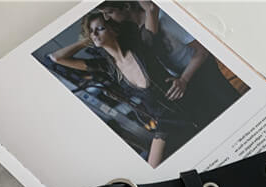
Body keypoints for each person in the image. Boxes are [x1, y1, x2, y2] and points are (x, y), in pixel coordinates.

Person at [49, 11, 199, 166]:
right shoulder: (107, 67)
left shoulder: (139, 45)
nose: (94, 34)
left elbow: (151, 9)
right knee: (153, 166)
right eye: (91, 31)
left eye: (99, 28)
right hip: (165, 122)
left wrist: (183, 80)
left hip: (186, 102)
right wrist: (87, 40)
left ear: (114, 30)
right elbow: (57, 58)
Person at [97, 1, 240, 121]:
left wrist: (184, 79)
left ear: (126, 6)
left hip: (202, 71)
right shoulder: (138, 33)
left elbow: (202, 51)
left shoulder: (164, 19)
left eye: (109, 12)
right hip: (184, 82)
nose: (107, 18)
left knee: (233, 109)